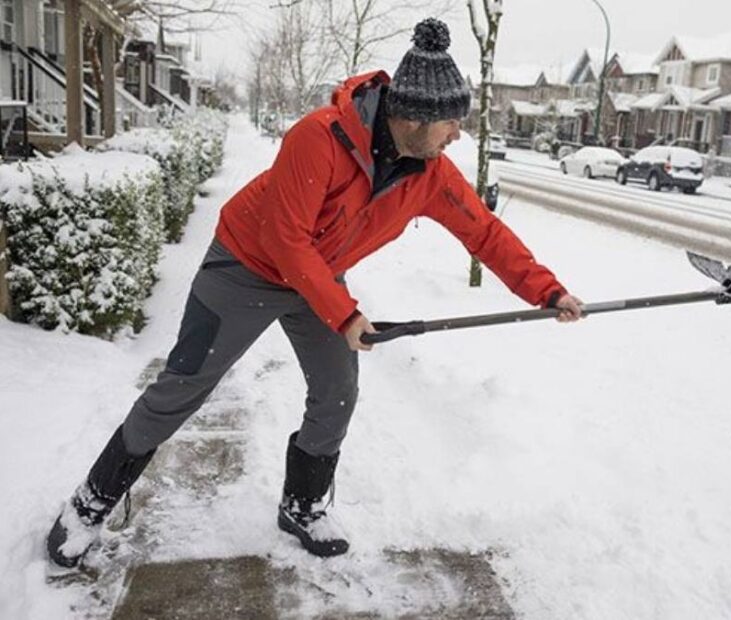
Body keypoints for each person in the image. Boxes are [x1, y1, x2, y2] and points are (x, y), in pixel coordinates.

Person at [46, 18, 583, 567]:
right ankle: (87, 505)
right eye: (451, 121)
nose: (457, 134)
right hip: (243, 267)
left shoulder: (430, 174)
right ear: (415, 117)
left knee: (337, 389)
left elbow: (484, 232)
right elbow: (285, 238)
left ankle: (302, 505)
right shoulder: (320, 137)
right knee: (182, 387)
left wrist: (547, 291)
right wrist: (346, 316)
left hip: (318, 277)